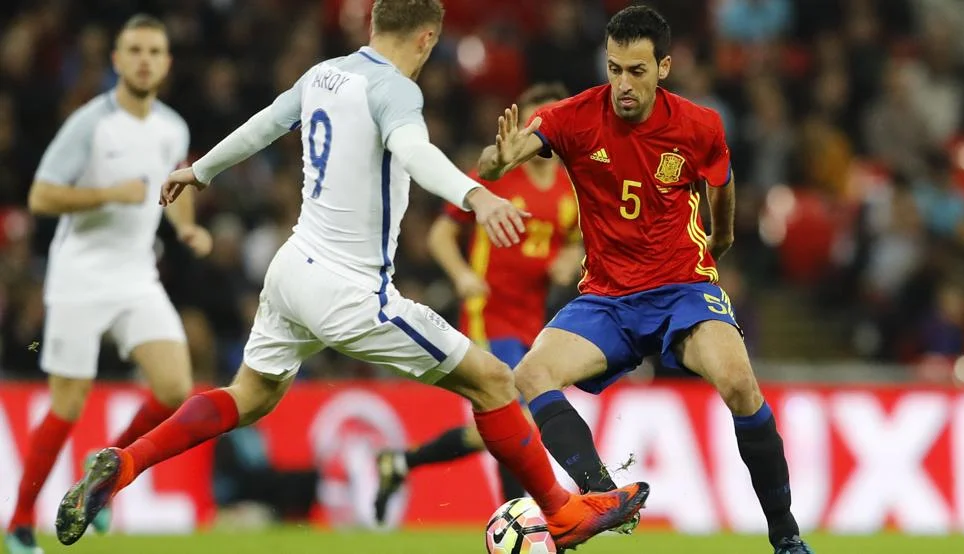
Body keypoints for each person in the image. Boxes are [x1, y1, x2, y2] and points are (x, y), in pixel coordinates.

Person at [54, 1, 648, 550]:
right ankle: (562, 513)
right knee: (494, 381)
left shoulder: (324, 74)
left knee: (249, 396)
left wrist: (200, 170)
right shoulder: (396, 90)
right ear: (427, 38)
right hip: (351, 290)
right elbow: (415, 153)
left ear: (373, 26)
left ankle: (125, 462)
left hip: (291, 269)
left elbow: (266, 123)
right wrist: (476, 196)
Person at [477, 6, 814, 554]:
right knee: (532, 373)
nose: (623, 85)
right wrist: (498, 161)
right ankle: (599, 496)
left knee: (739, 384)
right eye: (614, 69)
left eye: (636, 71)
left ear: (664, 67)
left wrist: (722, 238)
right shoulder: (573, 117)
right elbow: (502, 157)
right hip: (607, 299)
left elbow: (722, 180)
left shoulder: (699, 125)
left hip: (682, 290)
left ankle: (786, 536)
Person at [4, 15, 211, 554]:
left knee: (174, 387)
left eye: (155, 51)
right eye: (134, 50)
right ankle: (21, 524)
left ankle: (105, 472)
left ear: (167, 63)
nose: (145, 60)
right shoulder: (90, 124)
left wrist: (186, 227)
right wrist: (107, 194)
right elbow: (41, 195)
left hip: (136, 274)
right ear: (117, 61)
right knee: (67, 404)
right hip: (79, 274)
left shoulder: (173, 127)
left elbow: (172, 184)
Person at [373, 83, 582, 524]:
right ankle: (519, 520)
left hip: (535, 320)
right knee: (516, 416)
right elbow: (440, 233)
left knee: (499, 424)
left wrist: (570, 258)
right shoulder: (497, 175)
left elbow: (578, 240)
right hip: (489, 314)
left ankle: (403, 462)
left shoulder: (572, 189)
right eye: (534, 121)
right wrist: (463, 275)